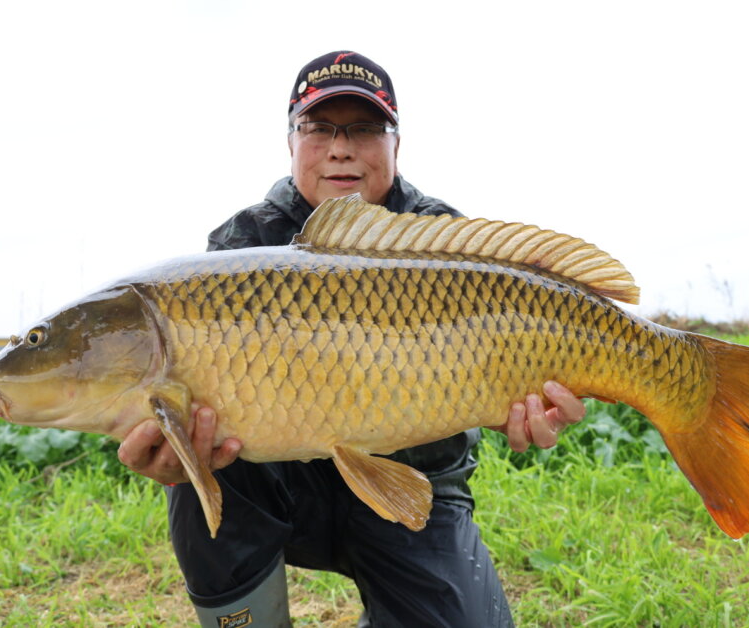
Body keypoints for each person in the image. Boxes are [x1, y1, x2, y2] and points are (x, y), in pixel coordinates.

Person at [117, 50, 586, 627]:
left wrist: (537, 408)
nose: (341, 147)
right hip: (282, 491)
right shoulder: (242, 245)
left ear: (395, 144)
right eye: (319, 128)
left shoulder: (440, 238)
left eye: (364, 129)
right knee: (196, 460)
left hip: (416, 489)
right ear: (291, 141)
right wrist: (177, 456)